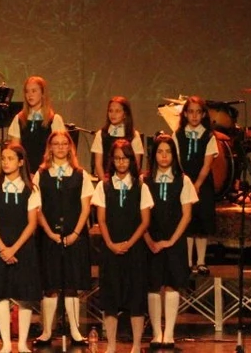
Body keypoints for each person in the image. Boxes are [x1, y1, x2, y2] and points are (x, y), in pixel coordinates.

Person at [0, 144, 42, 353]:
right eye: (4, 158)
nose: (5, 162)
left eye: (11, 158)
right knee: (0, 294)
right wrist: (3, 249)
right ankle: (6, 343)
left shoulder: (31, 189)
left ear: (21, 162)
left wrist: (13, 249)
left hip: (22, 247)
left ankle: (22, 343)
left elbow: (32, 224)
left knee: (24, 296)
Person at [33, 130, 93, 347]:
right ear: (50, 148)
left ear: (70, 147)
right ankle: (47, 331)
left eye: (64, 144)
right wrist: (50, 233)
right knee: (50, 285)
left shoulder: (80, 174)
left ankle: (75, 331)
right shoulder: (41, 174)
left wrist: (75, 233)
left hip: (75, 236)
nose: (60, 147)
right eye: (56, 144)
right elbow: (37, 208)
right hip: (48, 237)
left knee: (71, 284)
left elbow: (86, 208)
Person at [92, 140, 152, 353]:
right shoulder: (104, 186)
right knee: (110, 298)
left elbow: (145, 221)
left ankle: (136, 345)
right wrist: (110, 244)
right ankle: (111, 345)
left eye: (125, 158)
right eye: (117, 158)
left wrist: (129, 243)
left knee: (136, 298)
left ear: (131, 160)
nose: (121, 162)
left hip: (134, 250)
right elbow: (101, 219)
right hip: (110, 250)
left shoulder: (141, 186)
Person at [144, 134, 197, 350]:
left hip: (174, 240)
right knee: (153, 285)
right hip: (151, 240)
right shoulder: (145, 181)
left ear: (174, 155)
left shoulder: (183, 180)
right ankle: (157, 332)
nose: (164, 156)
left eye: (168, 152)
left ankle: (170, 333)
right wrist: (149, 240)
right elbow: (141, 214)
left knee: (173, 285)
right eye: (160, 152)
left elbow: (187, 215)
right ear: (154, 155)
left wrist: (171, 241)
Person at [176, 96, 222, 275]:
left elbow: (207, 164)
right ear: (185, 114)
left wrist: (197, 184)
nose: (194, 116)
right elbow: (177, 160)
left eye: (198, 112)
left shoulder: (208, 136)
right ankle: (188, 262)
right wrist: (186, 183)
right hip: (184, 183)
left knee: (202, 221)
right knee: (188, 222)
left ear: (203, 114)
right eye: (190, 112)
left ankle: (201, 261)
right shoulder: (178, 135)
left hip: (203, 184)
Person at [8, 76, 66, 174]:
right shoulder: (19, 119)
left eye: (34, 91)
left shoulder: (54, 119)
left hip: (48, 172)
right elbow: (15, 151)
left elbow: (59, 150)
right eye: (27, 91)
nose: (30, 95)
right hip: (25, 173)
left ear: (42, 93)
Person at [91, 96, 145, 178]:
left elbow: (136, 164)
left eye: (117, 111)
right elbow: (98, 164)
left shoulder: (133, 135)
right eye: (110, 111)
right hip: (106, 181)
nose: (113, 114)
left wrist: (127, 182)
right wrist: (105, 183)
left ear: (125, 114)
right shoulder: (101, 134)